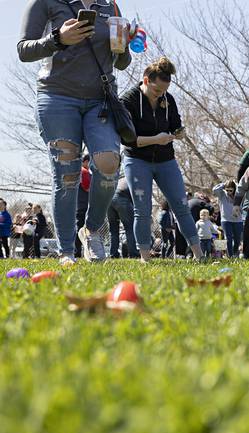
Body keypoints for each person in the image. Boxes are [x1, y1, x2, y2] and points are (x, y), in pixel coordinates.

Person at [19, 0, 132, 264]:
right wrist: (58, 38)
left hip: (100, 100)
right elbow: (24, 50)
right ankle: (66, 250)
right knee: (67, 174)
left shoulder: (110, 7)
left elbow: (122, 63)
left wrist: (124, 44)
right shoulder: (45, 3)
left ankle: (91, 230)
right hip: (57, 97)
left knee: (108, 164)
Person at [120, 57, 202, 262]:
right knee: (142, 209)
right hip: (137, 159)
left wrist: (179, 132)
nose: (160, 95)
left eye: (163, 91)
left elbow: (175, 124)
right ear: (146, 81)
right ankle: (145, 257)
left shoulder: (168, 99)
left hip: (166, 160)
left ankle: (199, 254)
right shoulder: (128, 100)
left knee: (181, 205)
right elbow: (127, 139)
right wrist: (155, 139)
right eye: (157, 91)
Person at [213, 180, 244, 258]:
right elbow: (214, 190)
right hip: (226, 220)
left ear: (234, 189)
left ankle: (235, 252)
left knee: (237, 239)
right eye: (227, 190)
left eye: (231, 190)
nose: (229, 192)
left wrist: (236, 185)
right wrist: (223, 184)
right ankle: (230, 255)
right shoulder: (222, 194)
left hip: (238, 220)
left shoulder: (238, 195)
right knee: (228, 238)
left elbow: (242, 189)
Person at [107, 178, 137, 258]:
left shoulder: (120, 179)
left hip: (109, 199)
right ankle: (133, 253)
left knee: (113, 230)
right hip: (122, 198)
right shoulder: (134, 180)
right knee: (130, 228)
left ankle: (113, 254)